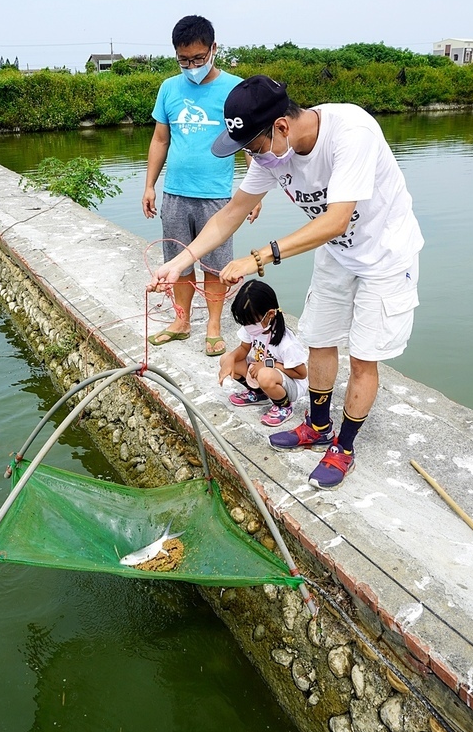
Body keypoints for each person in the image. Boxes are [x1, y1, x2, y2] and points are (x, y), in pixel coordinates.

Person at [149, 75, 424, 489]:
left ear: (280, 127)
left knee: (364, 357)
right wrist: (180, 262)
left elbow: (334, 220)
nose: (252, 158)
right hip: (337, 254)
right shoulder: (270, 157)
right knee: (319, 338)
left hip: (384, 256)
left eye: (253, 148)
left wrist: (259, 256)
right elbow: (230, 213)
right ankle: (317, 427)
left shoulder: (352, 133)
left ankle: (343, 448)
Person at [143, 15, 254, 357]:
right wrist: (150, 186)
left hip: (217, 196)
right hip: (176, 192)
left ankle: (214, 327)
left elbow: (249, 140)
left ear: (213, 49)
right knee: (178, 263)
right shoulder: (169, 88)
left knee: (216, 267)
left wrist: (253, 192)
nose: (191, 66)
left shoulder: (235, 89)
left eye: (198, 58)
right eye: (184, 60)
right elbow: (160, 139)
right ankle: (181, 321)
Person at [219, 279, 308, 428]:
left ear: (270, 314)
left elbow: (301, 373)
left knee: (265, 375)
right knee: (226, 359)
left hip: (290, 385)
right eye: (244, 323)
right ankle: (259, 393)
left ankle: (284, 406)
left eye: (251, 322)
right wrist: (230, 361)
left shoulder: (286, 343)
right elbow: (243, 349)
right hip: (263, 371)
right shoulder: (253, 329)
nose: (248, 327)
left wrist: (268, 365)